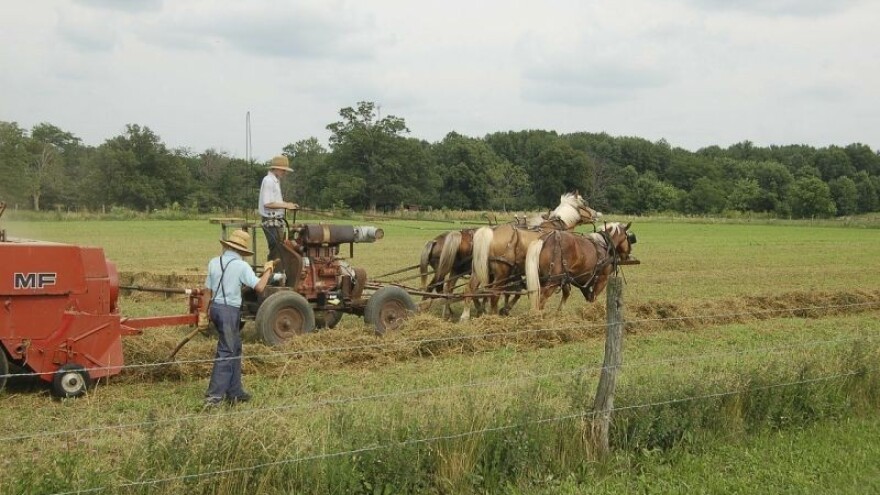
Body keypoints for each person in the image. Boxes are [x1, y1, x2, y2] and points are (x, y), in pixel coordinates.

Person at [203, 229, 274, 407]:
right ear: (241, 250)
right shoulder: (241, 266)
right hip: (229, 311)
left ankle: (235, 392)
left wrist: (203, 314)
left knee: (235, 348)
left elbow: (207, 292)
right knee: (227, 351)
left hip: (216, 308)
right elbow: (259, 287)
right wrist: (268, 270)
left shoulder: (214, 262)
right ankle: (213, 397)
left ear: (227, 247)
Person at [259, 155, 299, 261]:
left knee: (280, 249)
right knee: (276, 250)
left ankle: (277, 268)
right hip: (270, 220)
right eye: (283, 170)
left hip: (277, 221)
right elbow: (267, 203)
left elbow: (275, 201)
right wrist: (286, 205)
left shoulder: (275, 181)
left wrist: (288, 204)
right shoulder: (268, 180)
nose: (284, 173)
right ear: (275, 168)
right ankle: (272, 269)